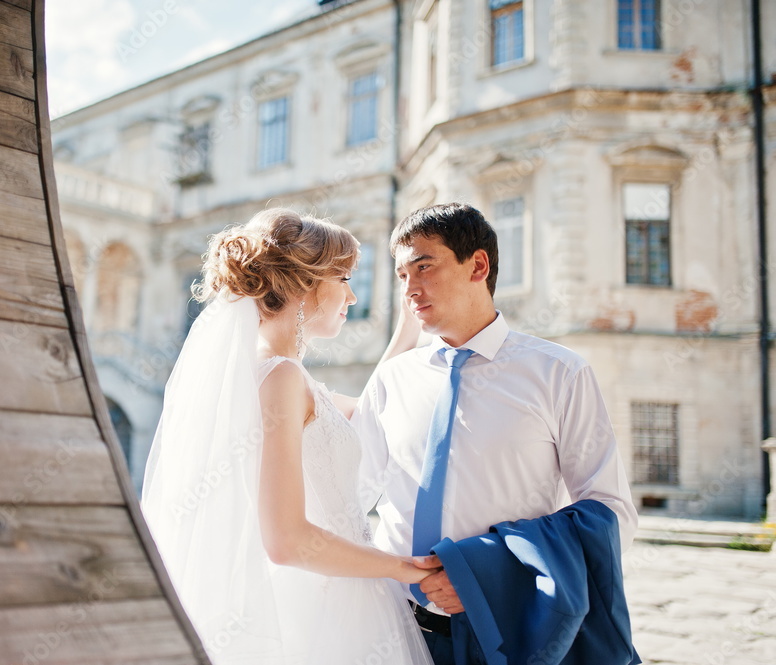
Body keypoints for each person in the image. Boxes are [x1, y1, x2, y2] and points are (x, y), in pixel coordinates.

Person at [141, 208, 435, 664]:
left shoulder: (281, 377)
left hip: (341, 596)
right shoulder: (280, 380)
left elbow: (371, 409)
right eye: (344, 278)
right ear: (304, 285)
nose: (353, 296)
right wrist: (403, 569)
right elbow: (286, 540)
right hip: (325, 615)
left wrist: (408, 328)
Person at [353, 203, 641, 665]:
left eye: (423, 266)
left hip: (507, 630)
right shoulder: (390, 381)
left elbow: (611, 512)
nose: (409, 289)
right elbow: (349, 495)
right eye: (401, 275)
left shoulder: (559, 373)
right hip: (393, 629)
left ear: (478, 265)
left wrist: (481, 575)